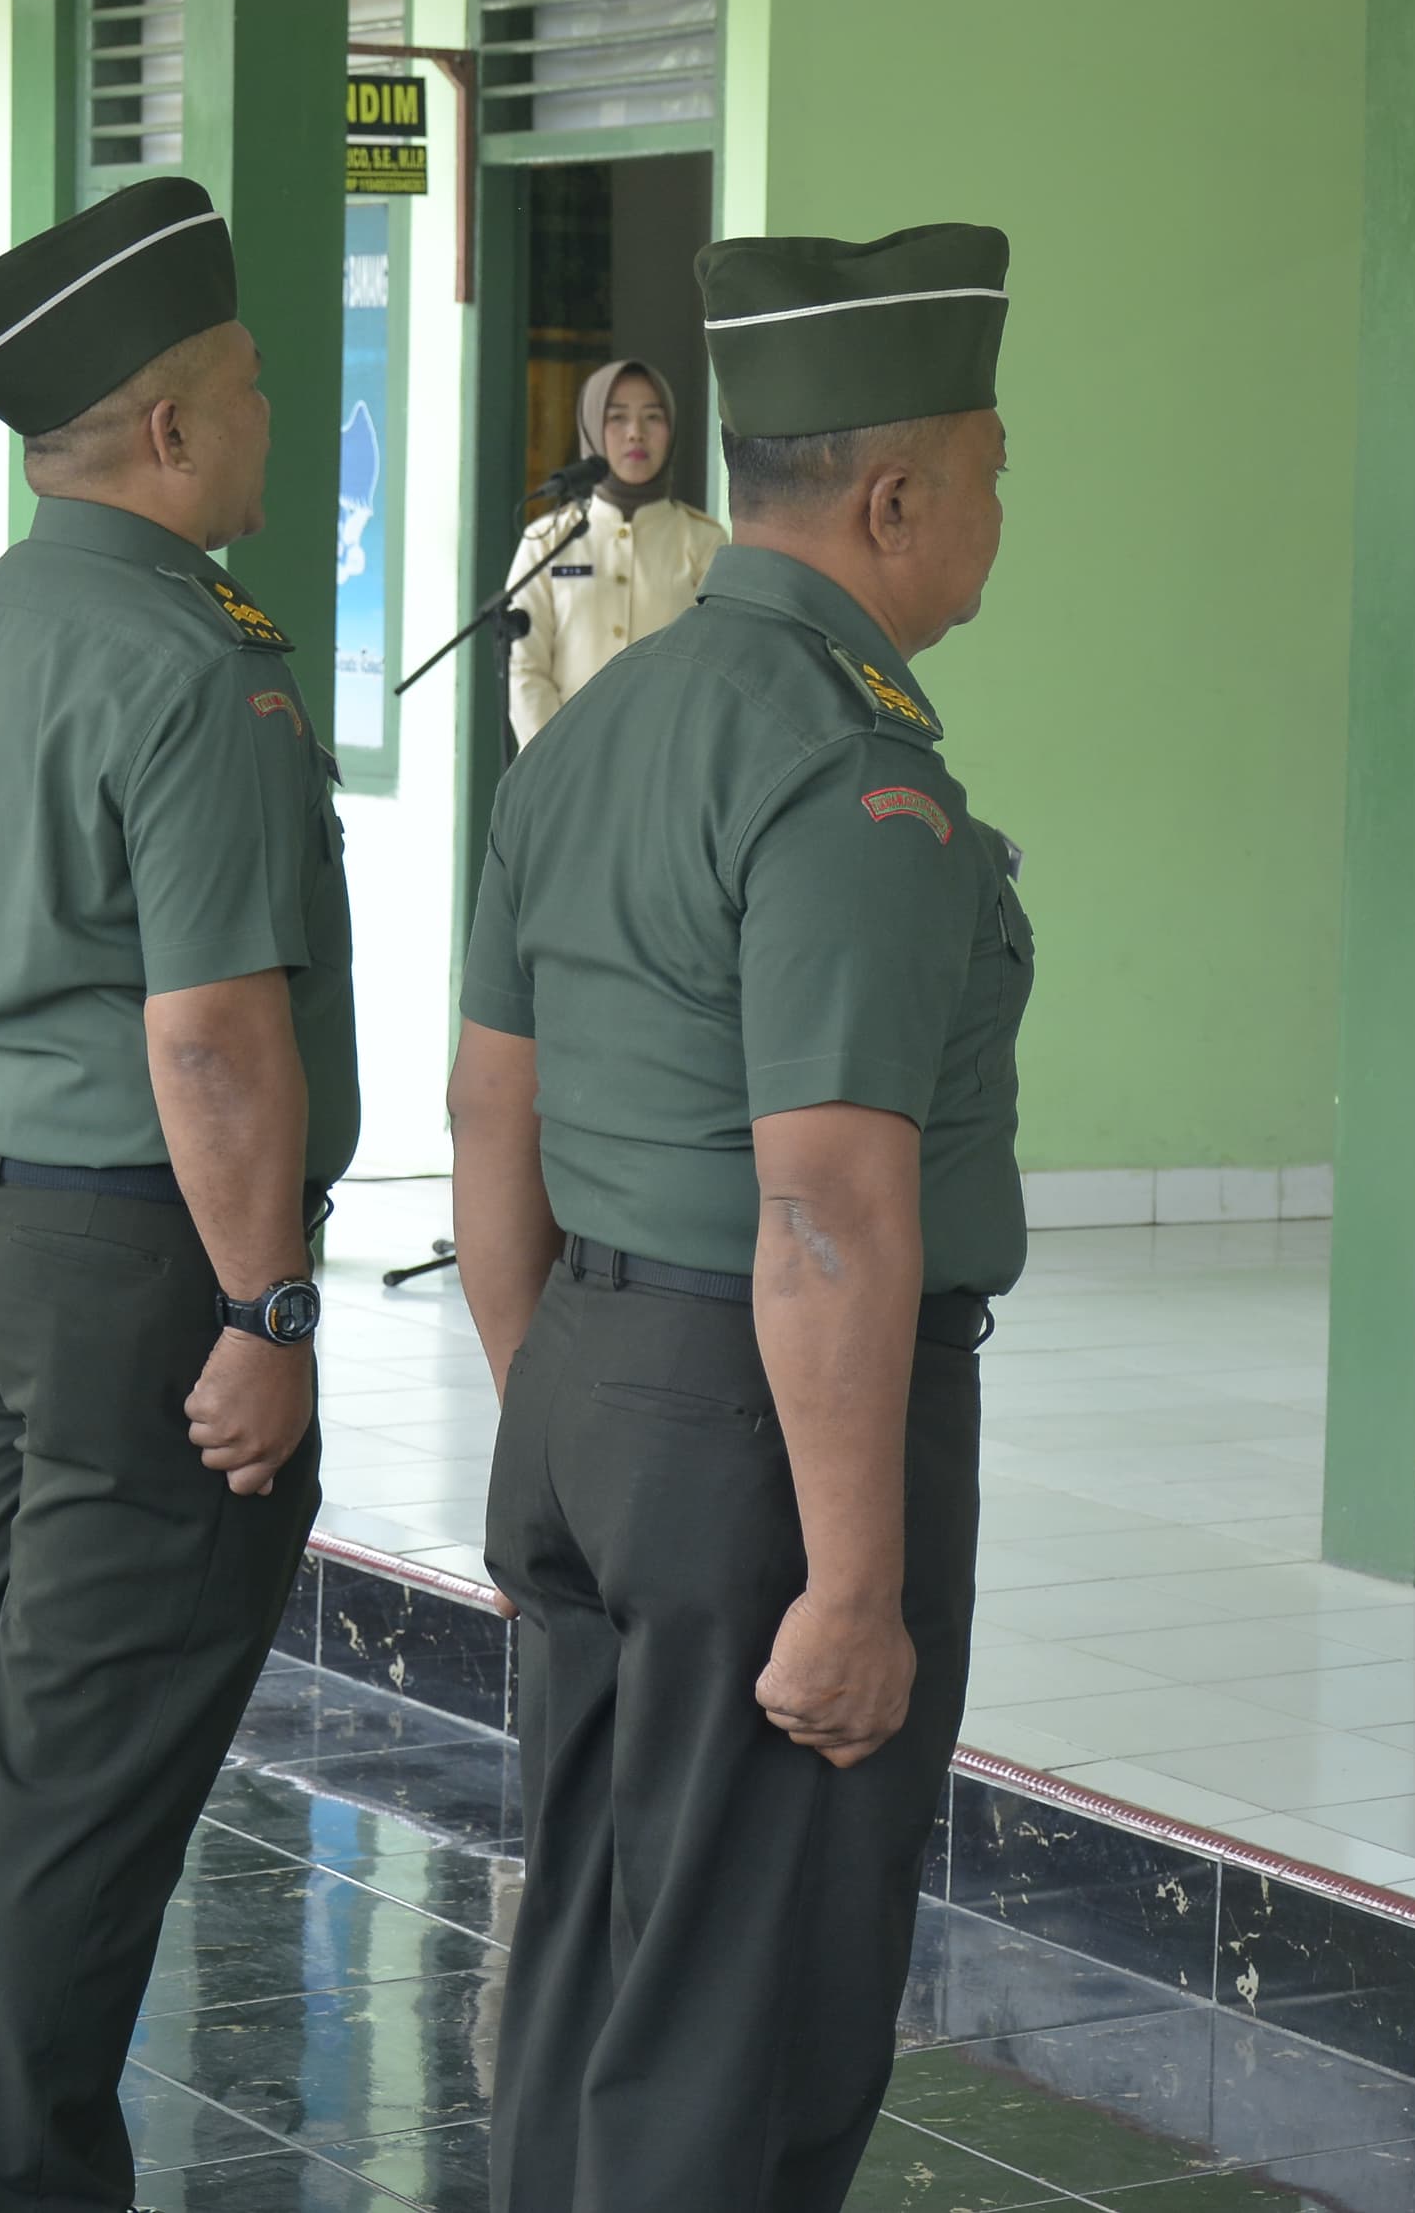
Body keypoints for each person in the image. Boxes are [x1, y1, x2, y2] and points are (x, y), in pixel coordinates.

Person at [453, 223, 1028, 2213]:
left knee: (609, 1950)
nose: (996, 523)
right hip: (773, 1431)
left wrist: (562, 1418)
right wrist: (852, 1583)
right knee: (755, 1998)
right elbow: (833, 1200)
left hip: (603, 1381)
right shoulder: (848, 771)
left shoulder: (594, 727)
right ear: (894, 496)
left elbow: (487, 1114)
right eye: (990, 479)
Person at [0, 175, 357, 2212]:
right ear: (168, 427)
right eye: (246, 382)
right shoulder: (192, 661)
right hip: (136, 1272)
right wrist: (269, 1310)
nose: (271, 414)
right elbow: (213, 1036)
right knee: (82, 1798)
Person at [506, 355, 729, 742]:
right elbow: (525, 668)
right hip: (566, 772)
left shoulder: (705, 542)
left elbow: (721, 672)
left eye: (653, 417)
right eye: (617, 417)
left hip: (670, 767)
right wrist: (555, 765)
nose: (635, 433)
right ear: (591, 427)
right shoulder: (547, 542)